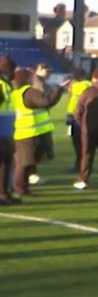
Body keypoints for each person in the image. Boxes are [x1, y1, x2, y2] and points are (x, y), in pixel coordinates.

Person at [12, 65, 65, 198]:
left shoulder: (16, 93)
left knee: (24, 162)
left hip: (22, 132)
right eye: (31, 76)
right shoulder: (29, 92)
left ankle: (22, 187)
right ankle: (20, 188)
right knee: (24, 164)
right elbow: (46, 101)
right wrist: (59, 89)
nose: (33, 78)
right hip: (31, 132)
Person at [65, 69, 91, 171]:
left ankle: (80, 163)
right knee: (82, 140)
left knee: (77, 141)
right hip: (81, 114)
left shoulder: (74, 85)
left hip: (74, 114)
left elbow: (70, 99)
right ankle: (82, 163)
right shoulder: (88, 84)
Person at [0, 56, 16, 205]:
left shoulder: (5, 83)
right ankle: (3, 194)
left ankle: (5, 192)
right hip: (2, 130)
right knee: (4, 161)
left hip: (6, 129)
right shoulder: (2, 84)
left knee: (6, 162)